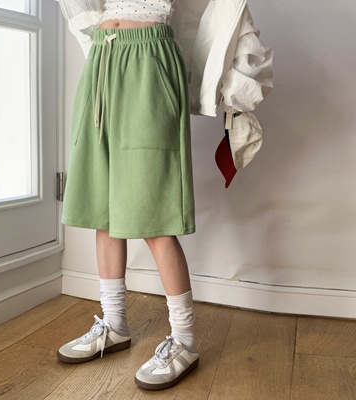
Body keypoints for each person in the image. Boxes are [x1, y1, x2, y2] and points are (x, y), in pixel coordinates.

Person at [57, 0, 273, 391]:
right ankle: (114, 323)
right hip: (101, 60)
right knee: (103, 208)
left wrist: (238, 92)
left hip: (150, 61)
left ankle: (185, 341)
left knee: (152, 209)